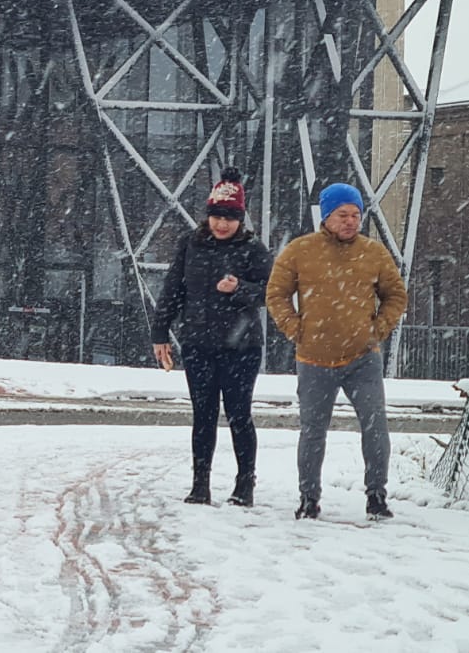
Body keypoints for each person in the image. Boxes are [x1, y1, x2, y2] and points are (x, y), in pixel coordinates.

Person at [266, 182, 408, 521]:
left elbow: (396, 296)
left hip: (362, 358)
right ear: (326, 216)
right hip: (314, 359)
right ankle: (308, 498)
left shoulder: (374, 253)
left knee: (375, 428)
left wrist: (376, 329)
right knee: (312, 431)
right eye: (343, 214)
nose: (350, 221)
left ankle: (376, 495)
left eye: (356, 215)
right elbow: (276, 294)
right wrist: (295, 328)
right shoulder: (300, 250)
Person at [151, 168, 273, 507]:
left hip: (241, 347)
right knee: (202, 415)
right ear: (208, 215)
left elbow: (274, 291)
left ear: (240, 219)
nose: (222, 224)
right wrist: (160, 332)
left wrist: (242, 290)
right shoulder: (190, 244)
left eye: (230, 218)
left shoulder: (252, 249)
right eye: (217, 216)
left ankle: (244, 483)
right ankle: (199, 484)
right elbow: (173, 289)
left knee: (238, 414)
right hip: (198, 344)